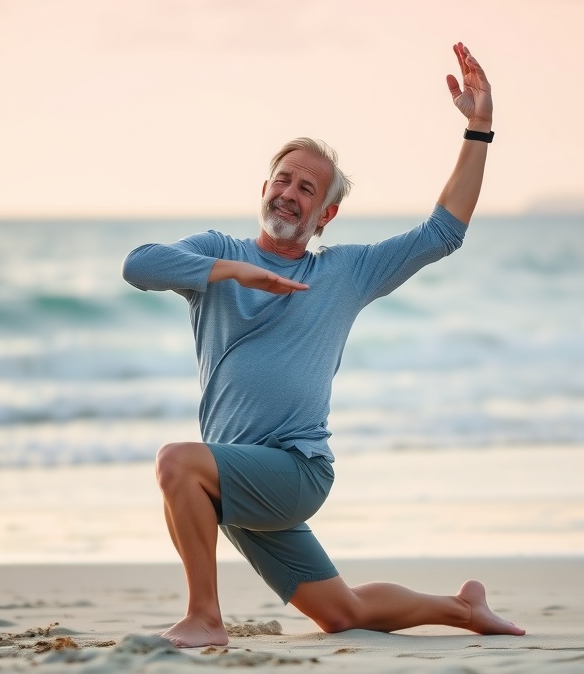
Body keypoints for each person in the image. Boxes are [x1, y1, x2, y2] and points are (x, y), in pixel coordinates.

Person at [122, 42, 524, 648]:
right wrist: (236, 274)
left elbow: (443, 232)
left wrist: (479, 129)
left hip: (295, 469)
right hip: (233, 476)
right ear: (263, 186)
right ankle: (466, 610)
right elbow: (138, 264)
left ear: (326, 212)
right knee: (340, 613)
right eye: (282, 179)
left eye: (307, 188)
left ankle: (205, 618)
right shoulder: (218, 252)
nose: (289, 192)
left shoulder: (346, 272)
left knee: (176, 461)